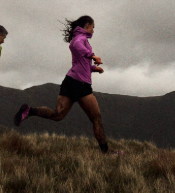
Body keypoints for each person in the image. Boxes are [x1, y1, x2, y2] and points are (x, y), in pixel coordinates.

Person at [13, 16, 116, 154]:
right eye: (93, 27)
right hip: (81, 84)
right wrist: (92, 55)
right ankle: (106, 152)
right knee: (96, 118)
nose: (93, 30)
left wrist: (93, 68)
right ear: (87, 26)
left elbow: (80, 63)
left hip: (70, 81)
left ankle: (29, 110)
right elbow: (74, 45)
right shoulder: (80, 39)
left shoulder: (81, 38)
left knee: (58, 115)